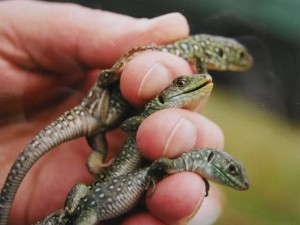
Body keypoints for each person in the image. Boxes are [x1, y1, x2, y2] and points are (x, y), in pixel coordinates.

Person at [0, 1, 224, 224]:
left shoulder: (151, 117)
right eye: (181, 83)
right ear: (164, 96)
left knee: (179, 185)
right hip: (100, 153)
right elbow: (126, 124)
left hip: (103, 184)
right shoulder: (143, 114)